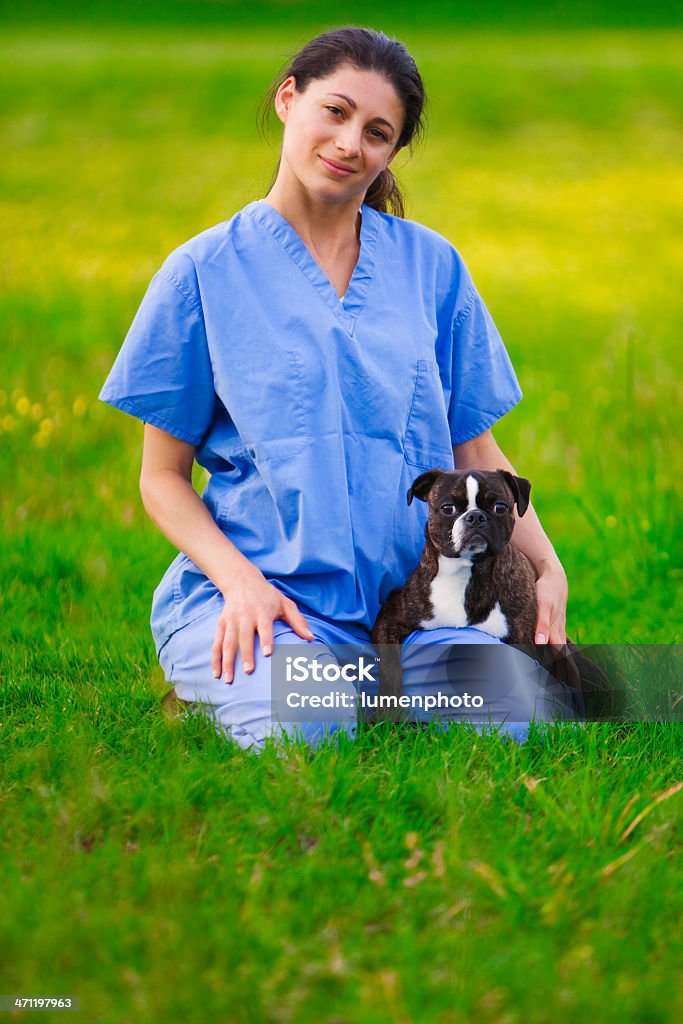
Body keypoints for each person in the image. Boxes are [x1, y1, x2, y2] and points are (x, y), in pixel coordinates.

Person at [100, 26, 579, 751]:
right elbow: (161, 479)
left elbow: (472, 444)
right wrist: (239, 585)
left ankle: (369, 682)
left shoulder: (431, 266)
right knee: (312, 728)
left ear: (391, 152)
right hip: (273, 601)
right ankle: (235, 678)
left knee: (514, 723)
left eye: (377, 132)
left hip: (418, 610)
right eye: (335, 110)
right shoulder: (203, 272)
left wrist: (546, 568)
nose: (350, 142)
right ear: (289, 99)